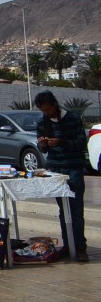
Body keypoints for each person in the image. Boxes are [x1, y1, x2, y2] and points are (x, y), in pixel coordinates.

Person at [35, 90, 88, 262]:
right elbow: (44, 150)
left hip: (73, 168)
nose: (47, 113)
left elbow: (81, 143)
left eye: (49, 110)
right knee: (63, 211)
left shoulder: (73, 119)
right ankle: (68, 244)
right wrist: (43, 144)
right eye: (44, 111)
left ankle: (80, 247)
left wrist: (62, 142)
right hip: (56, 169)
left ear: (55, 105)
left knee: (76, 210)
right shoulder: (43, 122)